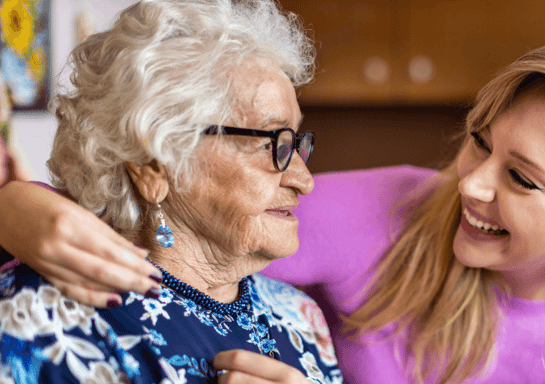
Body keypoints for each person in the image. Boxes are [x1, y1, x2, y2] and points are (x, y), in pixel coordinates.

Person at [0, 41, 545, 383]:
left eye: (522, 180)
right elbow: (185, 219)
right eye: (480, 140)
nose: (471, 185)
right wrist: (15, 208)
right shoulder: (396, 208)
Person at [0, 0, 344, 383]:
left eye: (296, 142)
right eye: (272, 142)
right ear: (153, 166)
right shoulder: (39, 322)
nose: (304, 178)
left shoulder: (301, 318)